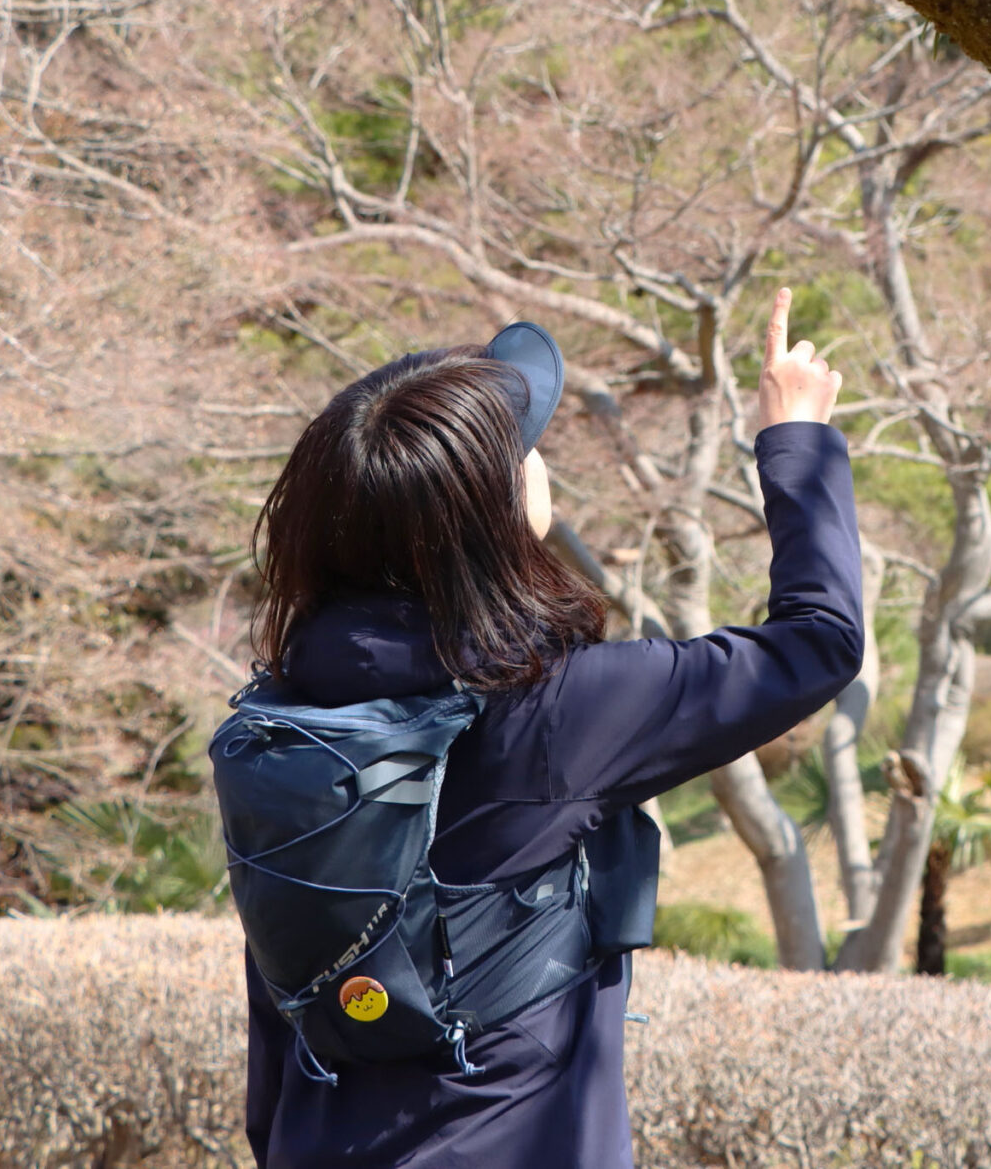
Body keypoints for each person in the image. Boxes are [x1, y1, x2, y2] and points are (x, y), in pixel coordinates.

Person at [241, 288, 860, 1169]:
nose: (540, 464)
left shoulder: (281, 716)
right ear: (489, 522)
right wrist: (793, 437)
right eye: (527, 450)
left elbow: (278, 1026)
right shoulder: (561, 707)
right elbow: (820, 640)